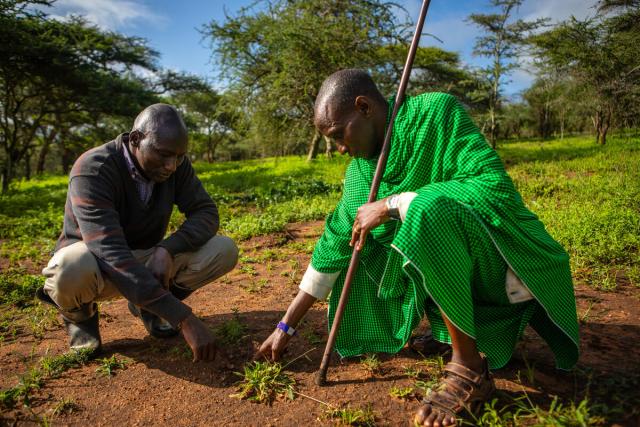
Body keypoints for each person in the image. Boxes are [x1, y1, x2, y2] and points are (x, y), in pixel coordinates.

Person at [255, 69, 579, 426]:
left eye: (337, 135)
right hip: (453, 277)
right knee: (363, 238)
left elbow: (492, 185)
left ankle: (469, 370)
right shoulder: (360, 175)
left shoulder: (436, 113)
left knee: (425, 211)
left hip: (501, 264)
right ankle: (453, 334)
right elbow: (334, 246)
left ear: (364, 107)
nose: (340, 149)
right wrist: (285, 326)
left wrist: (393, 204)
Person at [38, 103, 238, 362]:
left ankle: (150, 307)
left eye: (179, 157)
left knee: (223, 250)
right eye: (164, 155)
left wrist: (168, 249)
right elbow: (109, 251)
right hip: (97, 264)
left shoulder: (176, 163)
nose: (171, 166)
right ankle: (81, 318)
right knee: (69, 267)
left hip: (146, 258)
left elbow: (206, 212)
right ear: (135, 139)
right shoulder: (93, 168)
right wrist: (184, 318)